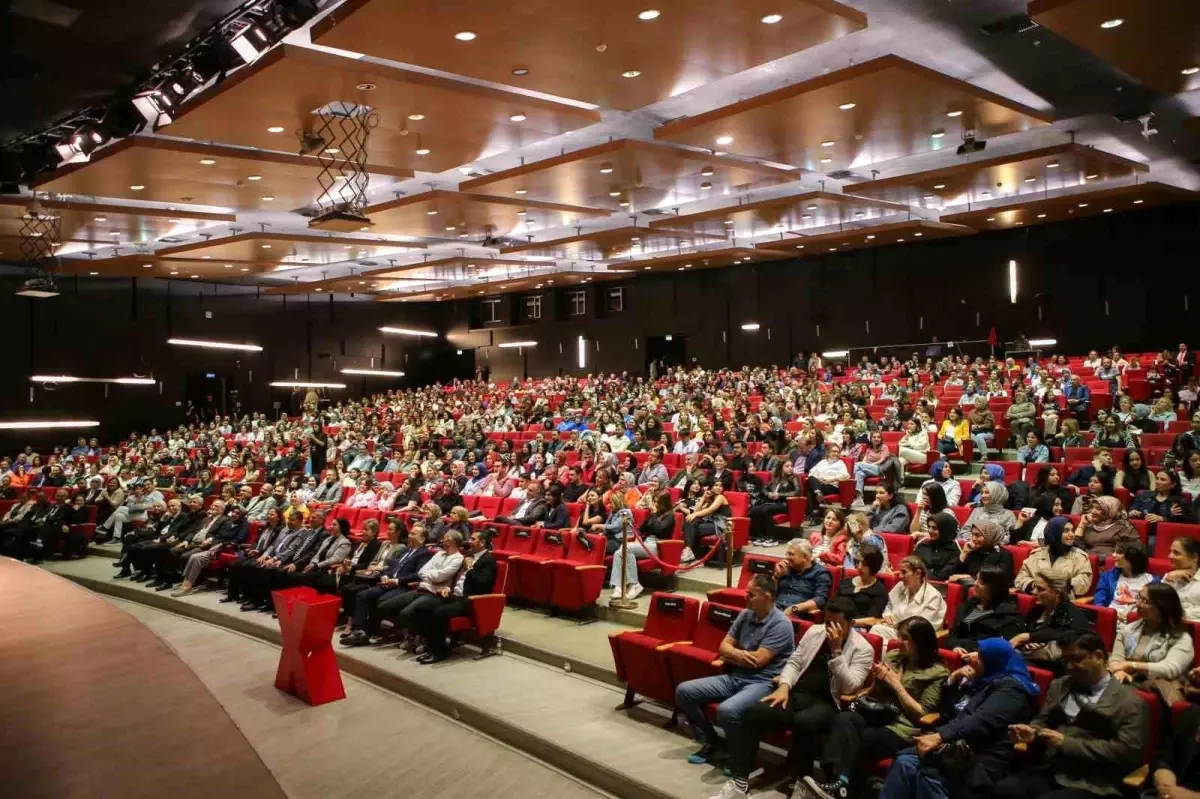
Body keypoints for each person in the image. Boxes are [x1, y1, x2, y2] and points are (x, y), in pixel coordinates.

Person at [715, 597, 872, 799]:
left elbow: (851, 685)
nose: (830, 628)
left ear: (851, 623)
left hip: (828, 703)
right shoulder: (815, 631)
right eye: (827, 622)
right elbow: (795, 662)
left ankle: (800, 778)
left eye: (837, 624)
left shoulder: (863, 649)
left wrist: (837, 651)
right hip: (797, 694)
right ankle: (740, 781)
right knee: (754, 713)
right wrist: (784, 686)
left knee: (805, 722)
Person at [800, 617, 949, 799]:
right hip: (878, 713)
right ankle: (839, 783)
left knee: (862, 738)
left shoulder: (937, 672)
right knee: (844, 719)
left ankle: (841, 786)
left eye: (904, 638)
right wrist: (877, 683)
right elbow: (872, 694)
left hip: (902, 726)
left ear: (920, 641)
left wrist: (896, 684)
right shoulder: (894, 656)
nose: (898, 641)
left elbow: (922, 713)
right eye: (899, 636)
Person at [996, 631, 1148, 799]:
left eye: (1076, 660)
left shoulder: (1130, 703)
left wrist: (1066, 743)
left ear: (1098, 656)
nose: (1069, 667)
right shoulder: (1060, 685)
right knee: (1003, 790)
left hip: (1093, 781)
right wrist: (1033, 731)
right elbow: (1043, 720)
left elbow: (1125, 753)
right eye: (1065, 660)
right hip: (1050, 768)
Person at [880, 639, 1038, 799]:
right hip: (956, 746)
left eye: (981, 656)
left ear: (994, 661)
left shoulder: (1012, 691)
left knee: (928, 775)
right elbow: (948, 710)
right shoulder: (983, 679)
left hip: (982, 756)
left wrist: (939, 736)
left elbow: (980, 721)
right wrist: (955, 678)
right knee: (904, 761)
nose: (973, 657)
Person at [675, 574, 796, 769]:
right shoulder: (746, 615)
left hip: (762, 683)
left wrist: (731, 654)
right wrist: (737, 655)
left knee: (727, 710)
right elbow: (723, 646)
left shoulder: (781, 624)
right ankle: (714, 741)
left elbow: (757, 661)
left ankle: (742, 755)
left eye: (751, 594)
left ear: (766, 597)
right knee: (684, 692)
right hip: (736, 676)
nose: (745, 597)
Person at [411, 528, 498, 664]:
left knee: (439, 613)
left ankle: (439, 652)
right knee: (425, 607)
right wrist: (447, 588)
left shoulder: (489, 560)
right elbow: (456, 578)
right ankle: (431, 646)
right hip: (454, 595)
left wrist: (470, 568)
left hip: (470, 600)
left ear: (482, 543)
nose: (469, 541)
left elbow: (482, 584)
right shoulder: (469, 555)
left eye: (473, 539)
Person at [339, 525, 434, 645]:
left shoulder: (425, 554)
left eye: (413, 534)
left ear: (422, 539)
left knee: (381, 600)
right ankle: (359, 630)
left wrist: (397, 581)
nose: (409, 536)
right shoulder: (405, 550)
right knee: (362, 595)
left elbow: (418, 575)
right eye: (410, 533)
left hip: (403, 586)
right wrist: (385, 576)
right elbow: (392, 566)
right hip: (387, 582)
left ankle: (366, 633)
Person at [374, 529, 466, 650]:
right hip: (421, 588)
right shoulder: (438, 554)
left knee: (405, 613)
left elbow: (441, 576)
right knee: (385, 606)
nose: (443, 540)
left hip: (435, 594)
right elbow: (422, 571)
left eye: (446, 538)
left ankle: (417, 637)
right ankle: (414, 634)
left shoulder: (457, 558)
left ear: (453, 541)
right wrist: (432, 577)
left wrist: (432, 576)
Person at [1109, 583, 1194, 705]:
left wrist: (1131, 665)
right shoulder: (1127, 631)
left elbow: (1169, 669)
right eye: (1139, 597)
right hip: (1128, 685)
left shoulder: (1181, 638)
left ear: (1162, 607)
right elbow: (1116, 661)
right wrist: (1120, 671)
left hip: (1160, 694)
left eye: (1145, 601)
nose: (1138, 604)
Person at [943, 565, 1023, 653]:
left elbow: (1003, 647)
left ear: (994, 587)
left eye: (981, 582)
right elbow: (954, 632)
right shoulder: (970, 604)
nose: (975, 584)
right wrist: (955, 646)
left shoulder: (1007, 614)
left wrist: (978, 654)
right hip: (958, 653)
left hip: (984, 659)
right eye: (976, 579)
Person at [609, 492, 671, 601]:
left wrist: (655, 514)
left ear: (664, 504)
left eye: (657, 502)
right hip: (646, 543)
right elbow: (640, 529)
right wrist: (639, 537)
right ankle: (618, 586)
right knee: (618, 552)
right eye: (654, 501)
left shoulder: (670, 516)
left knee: (626, 548)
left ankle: (634, 584)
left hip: (658, 546)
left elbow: (660, 530)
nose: (654, 504)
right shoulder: (653, 515)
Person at [867, 556, 946, 640]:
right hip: (897, 632)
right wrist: (888, 615)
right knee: (876, 630)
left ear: (918, 574)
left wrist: (896, 621)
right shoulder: (900, 586)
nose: (900, 576)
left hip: (917, 639)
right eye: (900, 572)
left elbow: (923, 628)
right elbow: (889, 605)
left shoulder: (933, 596)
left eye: (904, 572)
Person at [1014, 517, 1093, 598]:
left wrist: (1059, 586)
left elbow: (1083, 582)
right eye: (1066, 531)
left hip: (1063, 602)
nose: (1072, 534)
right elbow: (1020, 579)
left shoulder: (1080, 556)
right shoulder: (1037, 554)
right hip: (1035, 599)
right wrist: (1036, 586)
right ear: (1054, 532)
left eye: (1073, 530)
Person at [774, 538, 833, 618]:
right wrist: (777, 576)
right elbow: (768, 593)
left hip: (796, 614)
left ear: (804, 557)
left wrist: (794, 608)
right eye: (787, 554)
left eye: (791, 554)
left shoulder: (820, 573)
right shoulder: (785, 568)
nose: (787, 557)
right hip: (774, 609)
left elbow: (820, 600)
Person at [943, 520, 1014, 584]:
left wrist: (968, 578)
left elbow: (997, 581)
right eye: (972, 535)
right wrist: (964, 553)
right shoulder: (973, 552)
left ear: (989, 536)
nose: (973, 538)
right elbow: (947, 575)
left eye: (977, 535)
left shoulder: (1004, 555)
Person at [748, 460, 800, 545]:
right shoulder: (776, 479)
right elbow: (764, 488)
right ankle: (761, 536)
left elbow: (797, 492)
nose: (790, 468)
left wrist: (779, 495)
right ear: (781, 468)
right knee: (754, 510)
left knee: (766, 509)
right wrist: (768, 493)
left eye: (791, 466)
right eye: (787, 466)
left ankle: (771, 538)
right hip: (772, 503)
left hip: (784, 504)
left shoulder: (793, 478)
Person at [836, 543, 889, 621]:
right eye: (858, 562)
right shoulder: (846, 582)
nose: (859, 567)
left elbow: (874, 619)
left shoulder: (879, 591)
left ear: (873, 566)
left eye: (864, 564)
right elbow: (833, 606)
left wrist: (851, 623)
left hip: (859, 627)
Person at [680, 482, 730, 564]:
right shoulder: (711, 498)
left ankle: (690, 551)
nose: (718, 488)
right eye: (716, 485)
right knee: (691, 521)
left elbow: (709, 510)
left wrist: (694, 514)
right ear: (711, 487)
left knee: (692, 527)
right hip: (711, 522)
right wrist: (703, 497)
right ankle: (690, 552)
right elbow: (697, 510)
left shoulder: (720, 497)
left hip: (720, 524)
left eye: (721, 486)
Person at [1164, 536, 1200, 622]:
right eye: (1171, 552)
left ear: (1194, 557)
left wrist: (1178, 613)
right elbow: (1157, 604)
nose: (1170, 556)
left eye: (1176, 553)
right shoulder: (1171, 576)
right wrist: (1168, 580)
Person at [915, 512, 961, 579]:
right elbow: (912, 566)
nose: (930, 530)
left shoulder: (954, 551)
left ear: (945, 530)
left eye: (934, 528)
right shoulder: (923, 545)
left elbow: (943, 575)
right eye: (929, 527)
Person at [967, 396, 995, 462]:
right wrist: (970, 427)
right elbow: (968, 423)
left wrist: (978, 426)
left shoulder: (988, 413)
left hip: (987, 432)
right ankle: (967, 456)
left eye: (979, 402)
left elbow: (989, 425)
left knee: (979, 437)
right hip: (974, 432)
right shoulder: (971, 412)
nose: (976, 403)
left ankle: (984, 455)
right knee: (966, 436)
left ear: (984, 403)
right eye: (976, 401)